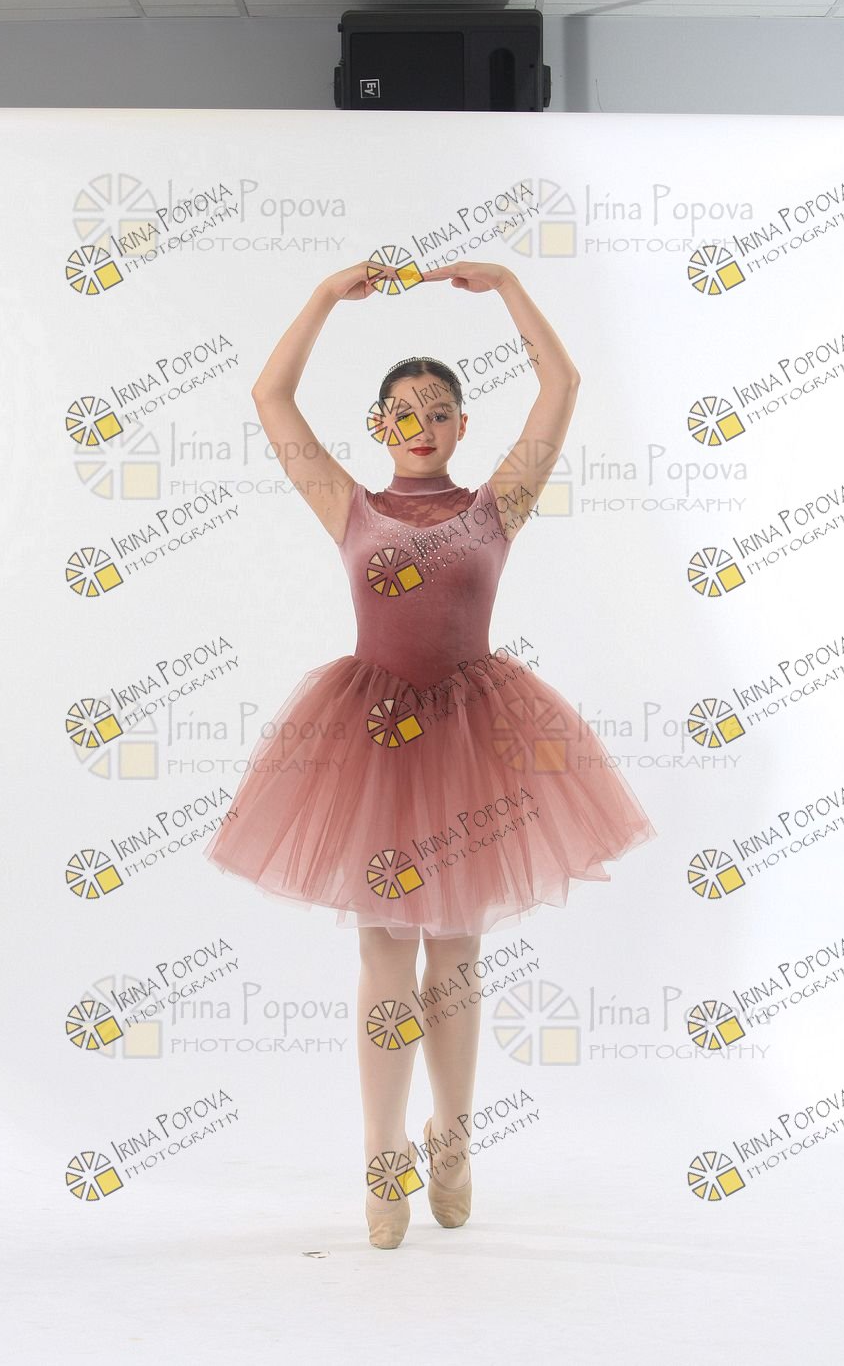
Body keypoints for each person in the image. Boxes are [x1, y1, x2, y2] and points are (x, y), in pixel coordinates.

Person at [204, 258, 657, 1248]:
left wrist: (509, 288)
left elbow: (562, 384)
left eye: (440, 411)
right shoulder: (349, 506)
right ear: (378, 425)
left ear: (461, 425)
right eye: (404, 412)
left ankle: (451, 1139)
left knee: (453, 952)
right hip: (369, 740)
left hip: (472, 738)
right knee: (383, 950)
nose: (421, 424)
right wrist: (323, 297)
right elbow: (270, 397)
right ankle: (382, 1154)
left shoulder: (496, 507)